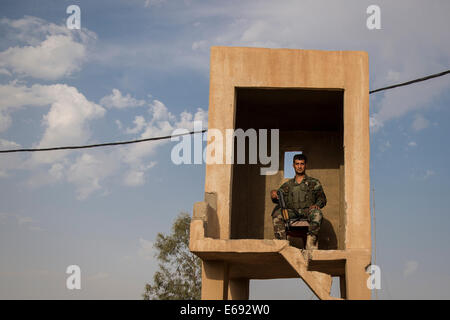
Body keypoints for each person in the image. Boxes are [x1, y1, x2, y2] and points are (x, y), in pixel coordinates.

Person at [270, 154, 327, 249]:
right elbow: (277, 197)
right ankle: (282, 246)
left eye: (302, 164)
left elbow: (322, 199)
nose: (299, 166)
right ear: (293, 165)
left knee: (317, 214)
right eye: (297, 164)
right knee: (277, 214)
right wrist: (273, 194)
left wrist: (317, 205)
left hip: (308, 211)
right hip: (292, 212)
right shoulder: (288, 185)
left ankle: (310, 245)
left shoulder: (314, 182)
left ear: (305, 165)